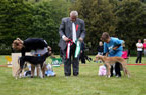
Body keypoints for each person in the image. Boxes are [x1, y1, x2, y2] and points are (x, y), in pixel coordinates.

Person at [59, 11, 85, 76]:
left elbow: (83, 31)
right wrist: (64, 37)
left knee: (76, 58)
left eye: (74, 18)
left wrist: (81, 37)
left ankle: (75, 73)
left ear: (76, 17)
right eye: (71, 17)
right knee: (67, 58)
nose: (72, 19)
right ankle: (67, 73)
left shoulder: (81, 22)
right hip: (67, 43)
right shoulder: (64, 21)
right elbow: (60, 30)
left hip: (77, 43)